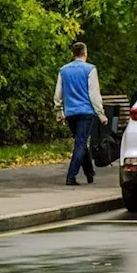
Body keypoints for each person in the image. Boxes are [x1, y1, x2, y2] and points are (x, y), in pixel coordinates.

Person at [53, 42, 107, 185]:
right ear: (85, 53)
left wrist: (59, 111)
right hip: (86, 112)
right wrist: (101, 114)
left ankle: (90, 173)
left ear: (73, 53)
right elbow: (94, 94)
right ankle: (71, 176)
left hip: (70, 112)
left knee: (80, 142)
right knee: (81, 143)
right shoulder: (90, 69)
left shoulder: (63, 70)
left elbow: (58, 93)